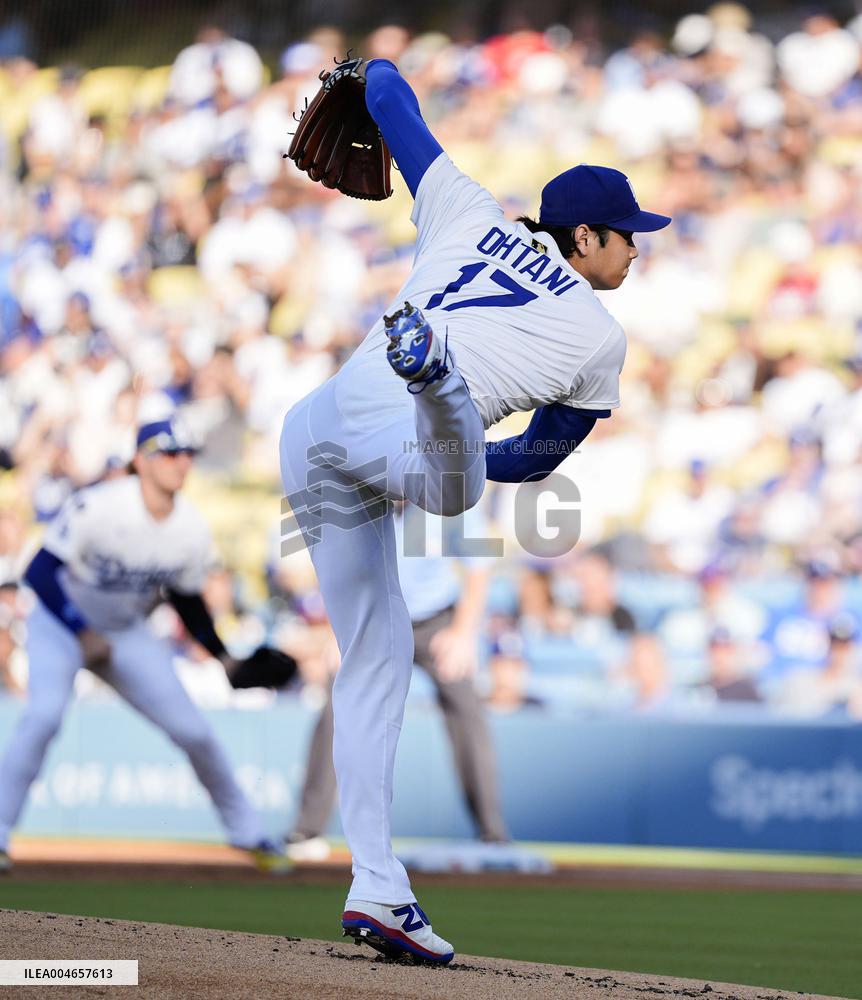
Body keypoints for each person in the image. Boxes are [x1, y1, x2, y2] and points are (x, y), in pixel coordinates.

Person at [279, 57, 670, 963]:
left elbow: (385, 91)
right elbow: (538, 459)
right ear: (583, 237)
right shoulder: (600, 336)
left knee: (374, 665)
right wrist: (448, 454)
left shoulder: (466, 206)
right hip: (415, 438)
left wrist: (360, 71)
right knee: (460, 488)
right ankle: (438, 380)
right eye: (625, 236)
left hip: (315, 428)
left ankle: (378, 887)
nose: (637, 248)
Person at [0, 419, 289, 874]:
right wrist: (80, 630)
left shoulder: (190, 528)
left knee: (194, 730)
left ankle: (249, 833)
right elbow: (38, 571)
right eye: (169, 453)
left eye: (187, 453)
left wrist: (223, 655)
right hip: (59, 624)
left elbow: (187, 599)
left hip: (123, 631)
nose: (181, 462)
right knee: (42, 716)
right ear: (140, 460)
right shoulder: (101, 505)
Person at [286, 501, 508, 862]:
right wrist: (335, 630)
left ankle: (493, 834)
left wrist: (464, 633)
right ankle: (305, 830)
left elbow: (479, 569)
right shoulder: (359, 496)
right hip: (376, 617)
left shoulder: (449, 495)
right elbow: (336, 570)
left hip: (436, 620)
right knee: (338, 705)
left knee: (468, 708)